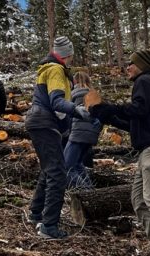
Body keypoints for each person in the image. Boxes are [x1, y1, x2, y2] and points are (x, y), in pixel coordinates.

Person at [89, 50, 150, 256]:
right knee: (139, 200)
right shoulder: (146, 83)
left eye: (131, 63)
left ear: (142, 66)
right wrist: (104, 113)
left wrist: (107, 107)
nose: (127, 67)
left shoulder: (145, 80)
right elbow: (135, 122)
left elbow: (138, 110)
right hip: (149, 150)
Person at [25, 36, 90, 239]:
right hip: (44, 123)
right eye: (70, 54)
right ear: (67, 54)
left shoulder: (49, 68)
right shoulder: (55, 69)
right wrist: (78, 110)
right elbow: (56, 102)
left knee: (49, 169)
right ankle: (49, 226)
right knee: (58, 173)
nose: (71, 58)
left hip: (40, 122)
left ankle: (36, 213)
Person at [63, 72, 102, 189]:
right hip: (91, 134)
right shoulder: (94, 94)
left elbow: (69, 114)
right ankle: (92, 192)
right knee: (78, 164)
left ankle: (87, 193)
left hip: (78, 133)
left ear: (74, 82)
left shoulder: (74, 93)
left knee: (67, 167)